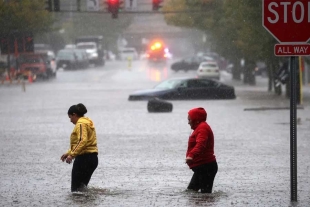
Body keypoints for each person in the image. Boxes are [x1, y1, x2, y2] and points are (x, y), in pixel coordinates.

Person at [60, 103, 98, 193]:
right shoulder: (88, 122)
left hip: (84, 159)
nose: (70, 120)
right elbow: (81, 142)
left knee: (75, 191)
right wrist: (68, 153)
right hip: (92, 159)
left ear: (74, 114)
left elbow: (82, 141)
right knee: (82, 189)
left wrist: (72, 155)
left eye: (70, 117)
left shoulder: (80, 124)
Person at [185, 107, 218, 193]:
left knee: (203, 194)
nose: (188, 122)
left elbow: (201, 144)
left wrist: (191, 155)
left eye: (189, 119)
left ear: (196, 119)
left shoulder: (202, 128)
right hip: (203, 167)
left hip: (206, 167)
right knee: (192, 193)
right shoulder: (200, 127)